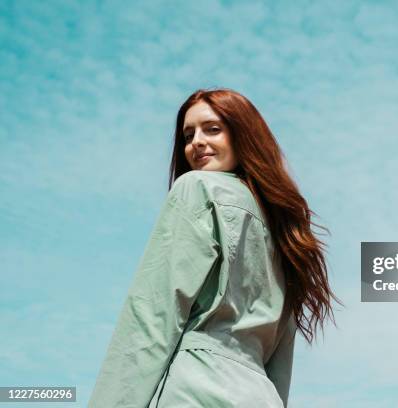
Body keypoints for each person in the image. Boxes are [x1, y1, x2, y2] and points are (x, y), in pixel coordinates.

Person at [88, 88, 342, 407]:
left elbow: (152, 315)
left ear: (243, 135)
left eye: (212, 129)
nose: (196, 142)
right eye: (188, 134)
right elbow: (280, 358)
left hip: (194, 388)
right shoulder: (288, 236)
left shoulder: (195, 190)